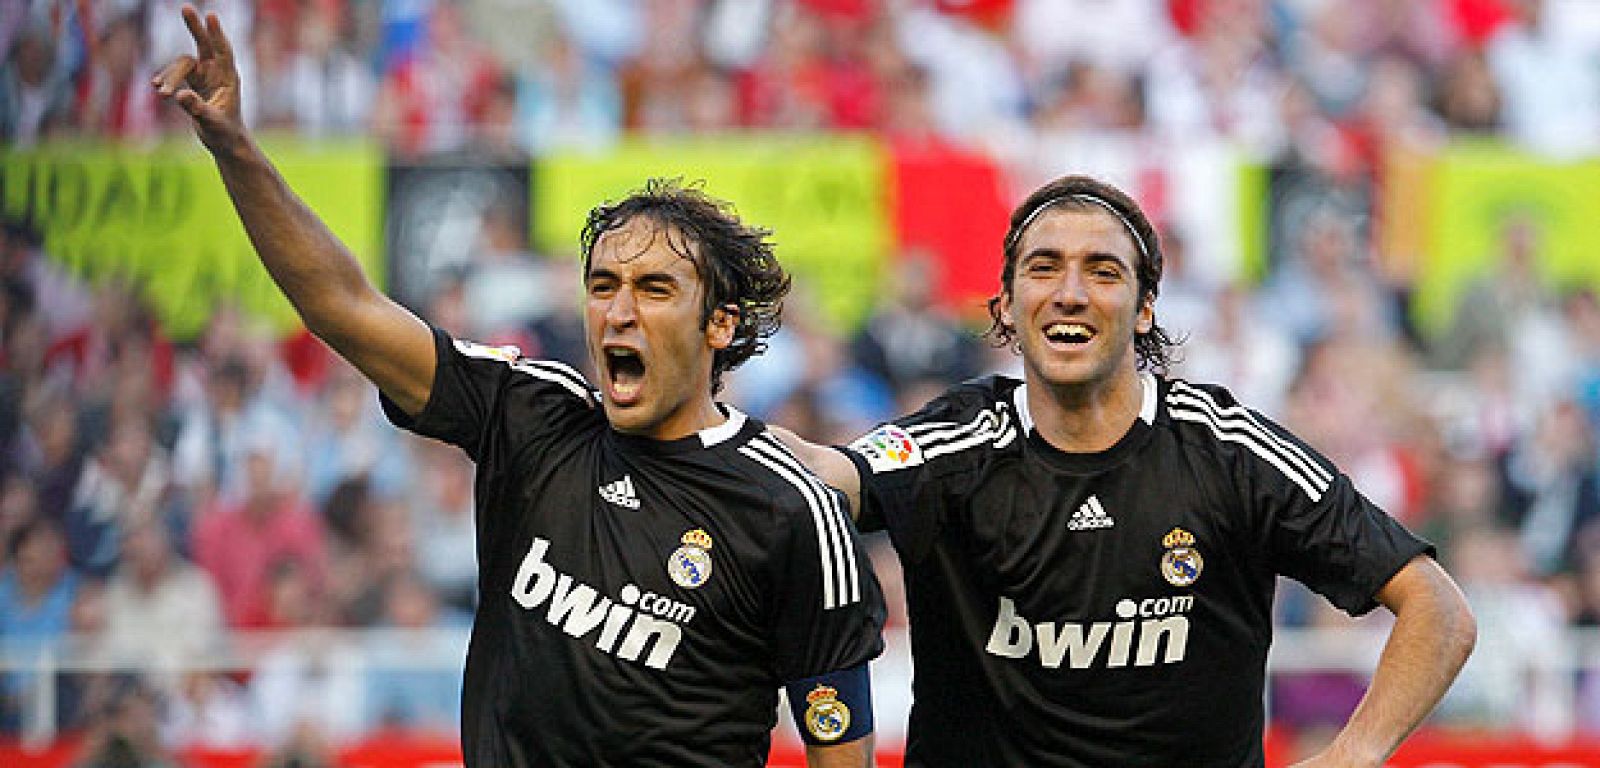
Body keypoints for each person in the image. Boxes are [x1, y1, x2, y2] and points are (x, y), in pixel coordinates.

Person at [151, 7, 884, 767]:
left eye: (655, 289)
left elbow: (841, 754)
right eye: (603, 285)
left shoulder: (791, 507)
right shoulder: (529, 410)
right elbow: (344, 307)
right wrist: (234, 148)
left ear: (720, 325)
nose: (619, 311)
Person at [779, 175, 1476, 766]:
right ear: (1007, 306)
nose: (1070, 293)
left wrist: (1351, 754)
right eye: (1043, 268)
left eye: (1103, 272)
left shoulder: (1229, 451)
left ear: (1145, 309)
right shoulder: (954, 443)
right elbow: (822, 474)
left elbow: (1438, 608)